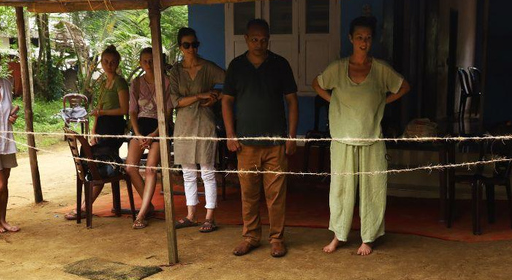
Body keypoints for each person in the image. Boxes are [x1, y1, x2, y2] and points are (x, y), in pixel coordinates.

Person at [312, 16, 410, 256]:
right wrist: (333, 99)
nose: (363, 42)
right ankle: (339, 235)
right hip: (343, 139)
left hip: (371, 139)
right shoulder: (338, 68)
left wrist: (383, 101)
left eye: (367, 38)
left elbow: (404, 86)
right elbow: (317, 83)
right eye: (359, 38)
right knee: (341, 190)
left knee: (372, 190)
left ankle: (369, 237)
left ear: (372, 40)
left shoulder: (380, 69)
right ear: (350, 39)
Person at [222, 19, 298, 258]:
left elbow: (292, 101)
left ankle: (277, 238)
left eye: (263, 39)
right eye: (254, 39)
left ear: (269, 39)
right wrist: (230, 135)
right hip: (246, 144)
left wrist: (292, 137)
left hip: (276, 143)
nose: (259, 43)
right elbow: (226, 101)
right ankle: (251, 237)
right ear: (246, 39)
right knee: (249, 194)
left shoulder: (280, 64)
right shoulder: (236, 66)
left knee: (276, 196)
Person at [169, 27, 225, 233]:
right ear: (180, 47)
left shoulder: (208, 67)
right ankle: (191, 214)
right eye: (187, 45)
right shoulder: (175, 71)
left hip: (205, 123)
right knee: (188, 174)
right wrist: (201, 95)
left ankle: (210, 216)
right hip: (184, 126)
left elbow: (231, 82)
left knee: (208, 172)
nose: (191, 48)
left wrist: (216, 96)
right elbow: (175, 101)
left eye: (195, 44)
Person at [65, 44, 129, 220]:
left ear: (117, 63)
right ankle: (86, 206)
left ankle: (86, 207)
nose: (109, 65)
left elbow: (124, 109)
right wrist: (94, 130)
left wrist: (102, 113)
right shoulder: (102, 82)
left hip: (114, 127)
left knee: (100, 168)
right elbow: (99, 107)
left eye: (113, 62)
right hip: (102, 126)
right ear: (101, 62)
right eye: (106, 61)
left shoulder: (120, 82)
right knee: (96, 165)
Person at [125, 47, 173, 230]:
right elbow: (132, 112)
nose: (148, 64)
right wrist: (137, 134)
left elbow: (168, 114)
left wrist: (153, 135)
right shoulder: (136, 83)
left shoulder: (165, 82)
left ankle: (142, 213)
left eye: (152, 61)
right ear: (140, 63)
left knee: (151, 169)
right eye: (145, 61)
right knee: (130, 167)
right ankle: (149, 204)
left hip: (159, 128)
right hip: (140, 128)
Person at [0, 47, 21, 233]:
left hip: (7, 140)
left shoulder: (6, 84)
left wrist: (11, 116)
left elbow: (5, 111)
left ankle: (3, 219)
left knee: (5, 184)